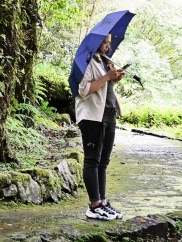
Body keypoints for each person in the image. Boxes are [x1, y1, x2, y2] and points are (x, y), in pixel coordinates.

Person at [75, 33, 126, 221]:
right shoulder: (87, 61)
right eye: (104, 43)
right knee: (92, 160)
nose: (107, 46)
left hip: (109, 114)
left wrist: (114, 78)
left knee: (103, 161)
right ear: (96, 42)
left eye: (109, 43)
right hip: (92, 117)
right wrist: (107, 76)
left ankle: (103, 202)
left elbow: (105, 86)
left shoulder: (104, 60)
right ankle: (94, 205)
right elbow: (84, 90)